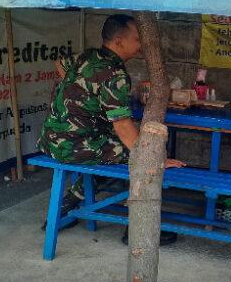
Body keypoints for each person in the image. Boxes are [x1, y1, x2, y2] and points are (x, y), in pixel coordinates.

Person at [38, 14, 185, 231]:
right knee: (142, 157)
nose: (141, 45)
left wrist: (79, 97)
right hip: (73, 147)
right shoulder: (114, 74)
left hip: (49, 140)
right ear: (118, 42)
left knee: (118, 149)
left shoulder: (87, 56)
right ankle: (137, 229)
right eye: (137, 39)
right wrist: (156, 159)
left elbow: (59, 64)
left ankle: (71, 201)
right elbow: (123, 126)